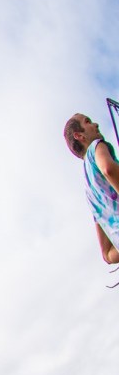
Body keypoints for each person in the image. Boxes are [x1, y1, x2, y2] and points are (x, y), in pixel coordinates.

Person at [62, 113, 119, 264]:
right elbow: (108, 169)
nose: (95, 124)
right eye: (88, 121)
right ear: (79, 135)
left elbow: (107, 254)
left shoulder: (90, 194)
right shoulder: (96, 146)